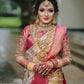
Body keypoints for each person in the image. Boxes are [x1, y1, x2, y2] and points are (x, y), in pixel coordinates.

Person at [15, 0, 72, 84]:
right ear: (36, 12)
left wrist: (53, 63)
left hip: (54, 78)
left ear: (54, 13)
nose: (46, 14)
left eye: (50, 10)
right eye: (42, 10)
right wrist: (34, 67)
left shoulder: (61, 32)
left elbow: (68, 58)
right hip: (32, 77)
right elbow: (19, 56)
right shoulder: (28, 30)